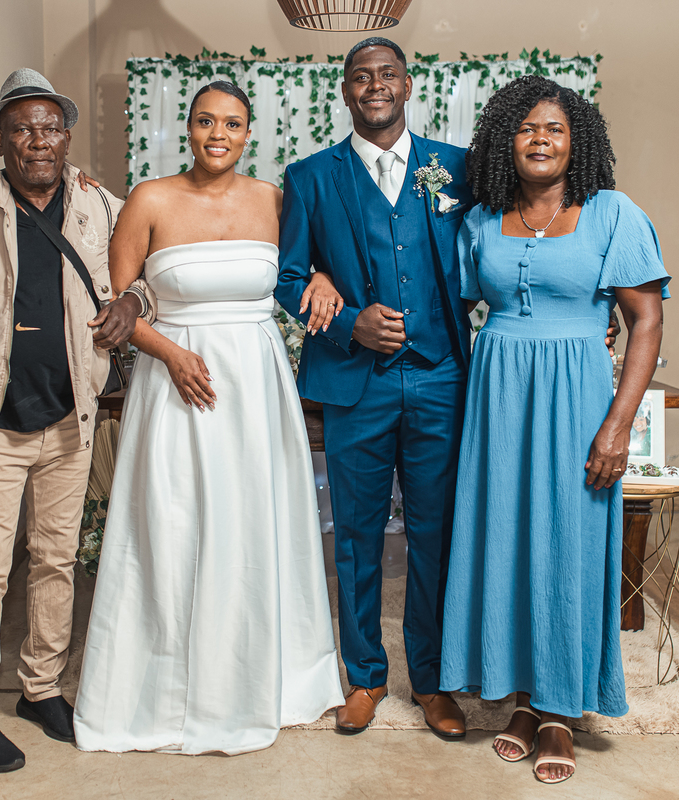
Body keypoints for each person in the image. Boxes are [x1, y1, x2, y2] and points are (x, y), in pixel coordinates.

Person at [73, 81, 344, 755]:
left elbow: (307, 270)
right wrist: (171, 353)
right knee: (174, 521)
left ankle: (266, 679)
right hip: (175, 381)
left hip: (256, 384)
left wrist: (324, 278)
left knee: (256, 518)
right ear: (187, 128)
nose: (217, 134)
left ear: (248, 133)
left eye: (231, 123)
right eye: (204, 121)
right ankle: (165, 689)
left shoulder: (274, 200)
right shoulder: (150, 199)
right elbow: (117, 305)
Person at [438, 75, 669, 784]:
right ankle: (520, 701)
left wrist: (617, 427)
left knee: (569, 544)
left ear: (578, 142)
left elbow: (646, 321)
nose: (540, 139)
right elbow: (454, 306)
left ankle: (561, 710)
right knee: (505, 542)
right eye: (527, 128)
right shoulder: (481, 220)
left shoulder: (613, 214)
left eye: (555, 129)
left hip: (577, 399)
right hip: (498, 398)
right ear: (505, 140)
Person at [0, 68, 145, 773]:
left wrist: (134, 304)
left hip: (68, 420)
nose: (38, 141)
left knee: (56, 560)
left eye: (51, 127)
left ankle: (41, 688)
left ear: (66, 136)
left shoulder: (99, 204)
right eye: (22, 128)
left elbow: (150, 267)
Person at [272, 37, 475, 738]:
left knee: (435, 533)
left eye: (387, 74)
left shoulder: (456, 167)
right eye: (361, 76)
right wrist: (345, 323)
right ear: (346, 92)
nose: (375, 85)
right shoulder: (310, 176)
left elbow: (493, 246)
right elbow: (288, 277)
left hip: (441, 375)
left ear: (408, 85)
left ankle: (433, 680)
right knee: (355, 535)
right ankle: (364, 675)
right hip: (355, 383)